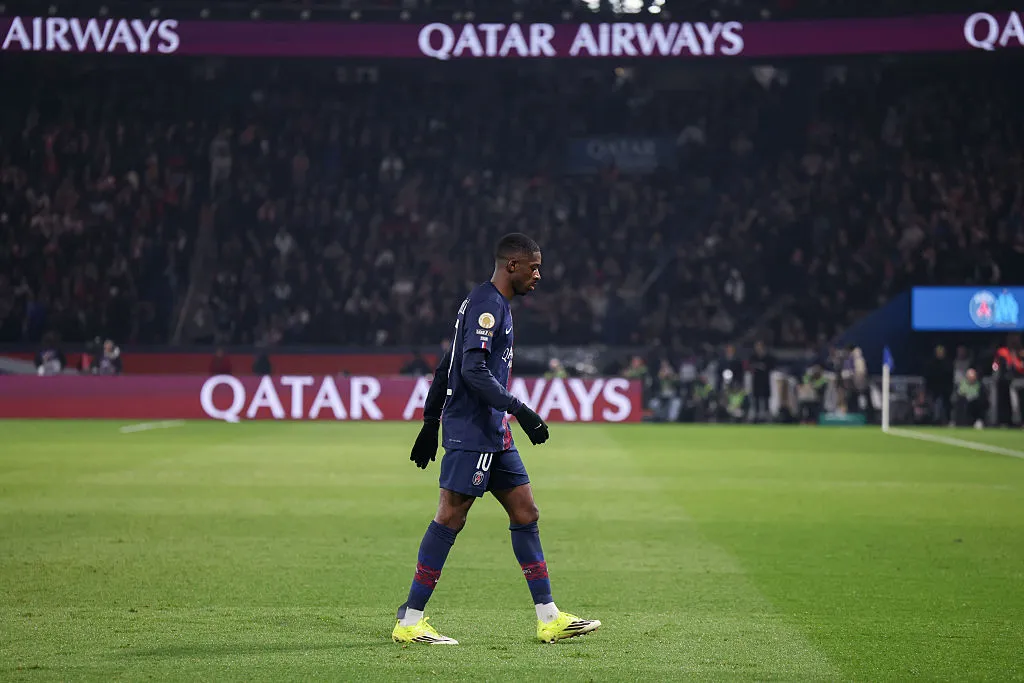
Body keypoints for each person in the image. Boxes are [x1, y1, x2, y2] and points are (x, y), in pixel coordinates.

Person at [393, 233, 600, 646]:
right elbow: (470, 370)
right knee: (451, 516)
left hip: (493, 432)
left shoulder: (487, 302)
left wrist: (430, 421)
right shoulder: (488, 305)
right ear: (512, 266)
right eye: (534, 268)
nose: (538, 276)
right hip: (474, 431)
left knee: (525, 512)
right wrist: (519, 409)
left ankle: (549, 618)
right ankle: (410, 620)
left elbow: (447, 363)